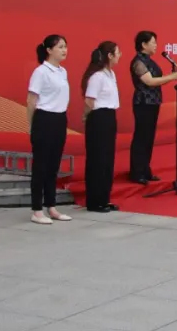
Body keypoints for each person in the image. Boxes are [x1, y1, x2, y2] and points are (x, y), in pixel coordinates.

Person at [26, 35, 72, 225]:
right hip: (44, 119)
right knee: (41, 167)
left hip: (59, 119)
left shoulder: (62, 71)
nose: (64, 50)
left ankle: (51, 206)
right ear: (49, 50)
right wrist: (31, 125)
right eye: (60, 47)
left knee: (53, 166)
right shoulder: (41, 72)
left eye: (65, 46)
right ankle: (37, 210)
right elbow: (31, 101)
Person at [129, 31, 177, 185]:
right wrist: (172, 77)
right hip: (143, 103)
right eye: (153, 42)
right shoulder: (138, 62)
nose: (155, 45)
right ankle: (137, 172)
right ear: (143, 44)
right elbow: (150, 81)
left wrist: (173, 73)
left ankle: (145, 170)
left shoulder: (150, 61)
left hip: (153, 102)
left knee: (149, 137)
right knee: (141, 137)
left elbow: (158, 79)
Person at [81, 41, 122, 213]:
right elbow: (89, 101)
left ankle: (104, 198)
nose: (120, 55)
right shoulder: (97, 77)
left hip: (109, 117)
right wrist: (85, 117)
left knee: (107, 159)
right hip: (98, 118)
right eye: (117, 52)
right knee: (97, 159)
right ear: (109, 55)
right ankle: (94, 201)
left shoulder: (110, 74)